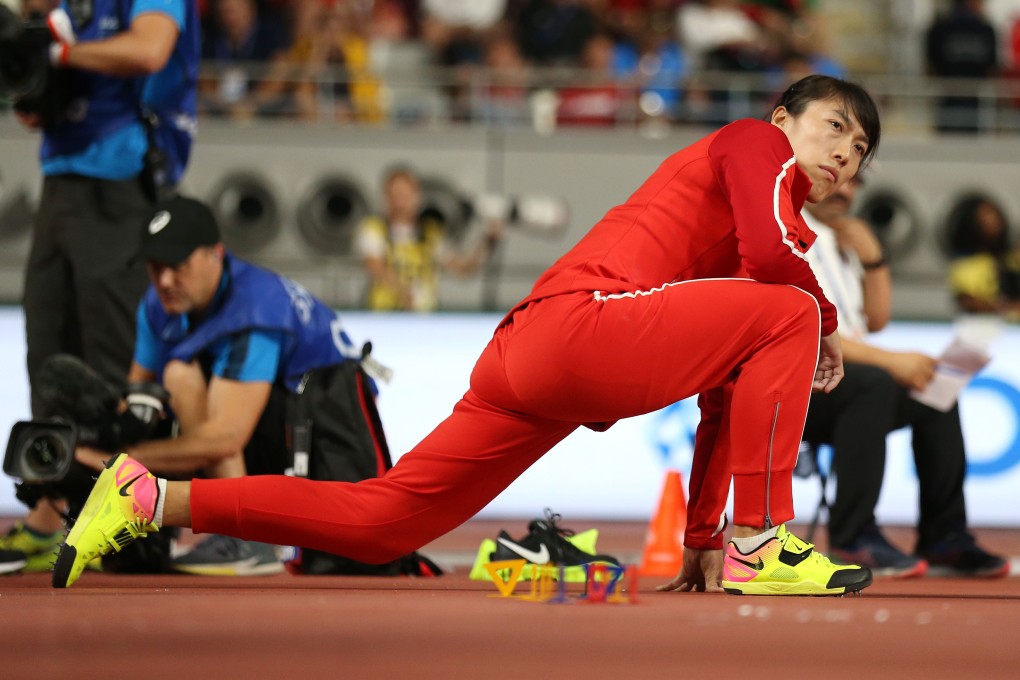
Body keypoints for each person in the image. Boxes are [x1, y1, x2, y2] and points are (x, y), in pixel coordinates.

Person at [54, 74, 879, 596]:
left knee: (386, 523)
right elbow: (776, 261)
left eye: (861, 148)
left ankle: (151, 498)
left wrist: (702, 540)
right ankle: (764, 540)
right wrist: (828, 322)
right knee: (798, 312)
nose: (846, 151)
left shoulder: (757, 247)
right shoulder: (756, 149)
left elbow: (722, 404)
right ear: (783, 115)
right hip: (582, 327)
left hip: (532, 352)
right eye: (836, 126)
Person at [64, 194, 436, 577]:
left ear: (216, 254)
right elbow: (136, 393)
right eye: (155, 268)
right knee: (176, 377)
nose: (164, 280)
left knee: (179, 374)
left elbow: (224, 439)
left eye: (176, 265)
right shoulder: (159, 303)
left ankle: (249, 539)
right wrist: (95, 436)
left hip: (325, 434)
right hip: (274, 422)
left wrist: (113, 463)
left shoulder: (256, 307)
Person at [0, 0, 199, 574]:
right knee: (48, 348)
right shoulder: (74, 4)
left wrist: (60, 53)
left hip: (118, 181)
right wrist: (34, 87)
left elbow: (149, 49)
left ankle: (125, 514)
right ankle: (49, 508)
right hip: (62, 175)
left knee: (110, 352)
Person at [801, 177, 1009, 578]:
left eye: (856, 183)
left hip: (840, 380)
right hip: (797, 386)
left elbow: (875, 321)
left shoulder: (839, 238)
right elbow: (806, 331)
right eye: (839, 180)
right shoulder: (789, 231)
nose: (847, 191)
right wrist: (891, 362)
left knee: (932, 388)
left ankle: (944, 534)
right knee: (874, 383)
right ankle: (853, 535)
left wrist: (874, 257)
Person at [355, 166, 504, 312]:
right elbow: (374, 266)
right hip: (384, 318)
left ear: (417, 196)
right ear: (386, 197)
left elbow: (462, 268)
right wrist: (404, 291)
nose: (401, 202)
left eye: (406, 194)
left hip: (424, 319)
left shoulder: (431, 233)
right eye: (396, 194)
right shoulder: (373, 229)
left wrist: (488, 242)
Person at [925, 0, 999, 134]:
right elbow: (992, 67)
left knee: (950, 141)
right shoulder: (985, 30)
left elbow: (930, 66)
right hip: (961, 96)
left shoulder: (940, 28)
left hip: (956, 95)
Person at [946, 197, 1020, 322]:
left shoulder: (1012, 260)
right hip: (985, 329)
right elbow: (967, 301)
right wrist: (1005, 308)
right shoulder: (965, 267)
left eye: (995, 216)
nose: (993, 222)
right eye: (985, 219)